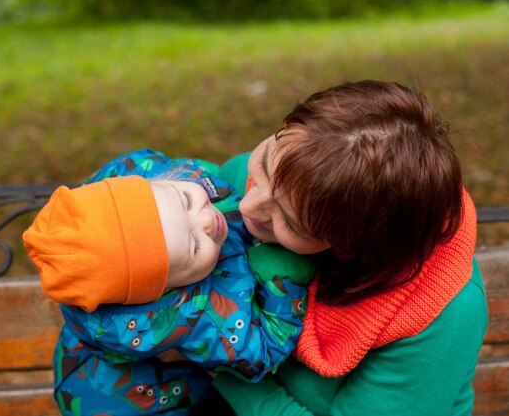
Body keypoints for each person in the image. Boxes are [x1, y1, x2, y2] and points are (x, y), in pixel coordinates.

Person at [194, 80, 488, 415]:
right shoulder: (275, 178)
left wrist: (217, 362)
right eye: (263, 165)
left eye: (289, 222)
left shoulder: (442, 314)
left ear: (351, 246)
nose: (248, 206)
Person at [23, 149, 316, 416]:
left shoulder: (146, 180)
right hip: (127, 404)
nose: (205, 221)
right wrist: (284, 280)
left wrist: (211, 184)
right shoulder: (198, 315)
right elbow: (261, 354)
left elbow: (184, 175)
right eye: (194, 246)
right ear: (167, 289)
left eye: (186, 200)